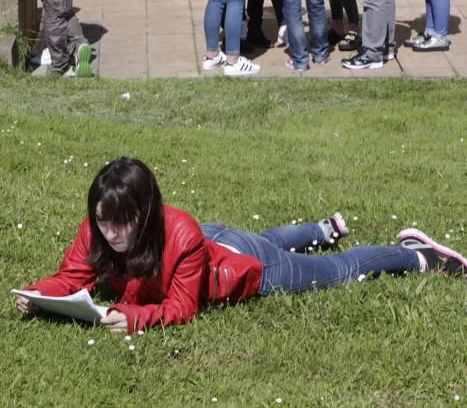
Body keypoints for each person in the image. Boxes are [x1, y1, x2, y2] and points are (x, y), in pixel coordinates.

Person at [15, 157, 467, 334]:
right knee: (268, 238)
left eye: (120, 224)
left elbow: (180, 308)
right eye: (102, 222)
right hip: (213, 242)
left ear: (146, 212)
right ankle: (321, 229)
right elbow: (72, 275)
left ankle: (421, 256)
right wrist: (40, 295)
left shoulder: (180, 236)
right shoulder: (98, 229)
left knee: (335, 272)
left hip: (237, 263)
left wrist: (132, 318)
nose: (110, 234)